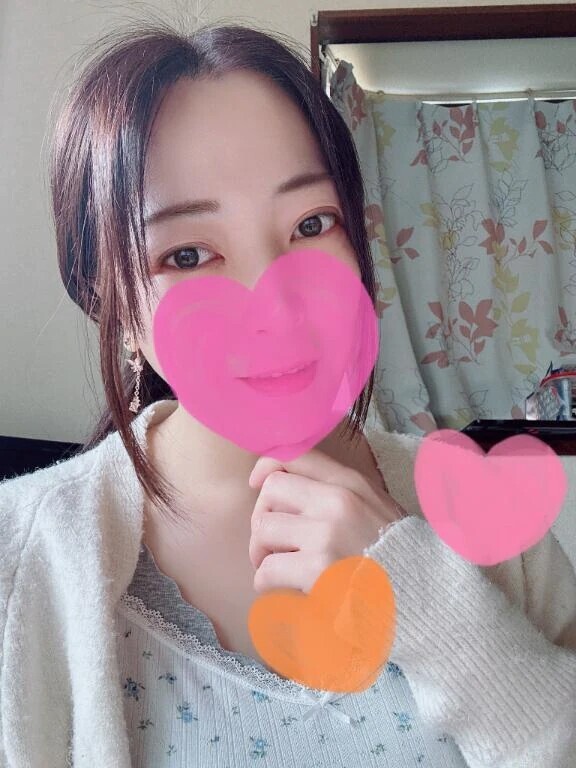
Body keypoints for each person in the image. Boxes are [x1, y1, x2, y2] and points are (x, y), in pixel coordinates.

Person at [1, 15, 576, 768]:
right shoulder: (19, 560)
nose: (276, 303)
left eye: (311, 224)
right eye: (188, 254)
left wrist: (430, 605)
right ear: (112, 300)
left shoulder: (485, 512)